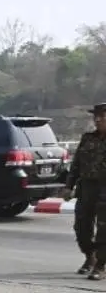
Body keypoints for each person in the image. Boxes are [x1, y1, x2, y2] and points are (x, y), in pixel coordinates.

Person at [64, 102, 106, 279]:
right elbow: (76, 165)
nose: (98, 120)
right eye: (96, 117)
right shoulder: (88, 138)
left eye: (102, 117)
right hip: (87, 187)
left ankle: (100, 266)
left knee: (104, 228)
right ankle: (90, 256)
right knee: (81, 227)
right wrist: (69, 186)